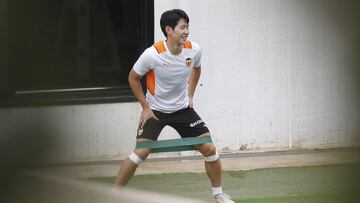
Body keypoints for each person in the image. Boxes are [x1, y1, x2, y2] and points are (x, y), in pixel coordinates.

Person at [114, 9, 235, 203]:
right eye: (182, 27)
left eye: (187, 26)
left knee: (210, 149)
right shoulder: (152, 54)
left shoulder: (194, 49)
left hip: (183, 110)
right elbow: (133, 78)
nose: (186, 31)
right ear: (169, 30)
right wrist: (145, 108)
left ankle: (218, 195)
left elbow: (197, 68)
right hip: (155, 111)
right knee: (140, 153)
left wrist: (190, 95)